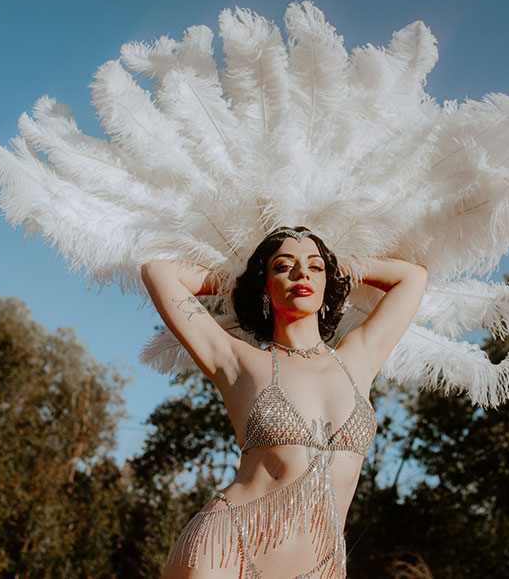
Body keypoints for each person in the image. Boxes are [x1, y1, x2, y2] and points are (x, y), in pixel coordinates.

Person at [142, 226, 427, 578]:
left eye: (315, 267)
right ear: (266, 284)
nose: (301, 273)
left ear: (328, 283)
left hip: (320, 568)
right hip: (227, 552)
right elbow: (159, 271)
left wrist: (339, 263)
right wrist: (241, 277)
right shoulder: (239, 362)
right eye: (282, 266)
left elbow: (412, 277)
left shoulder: (359, 357)